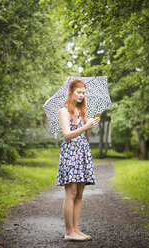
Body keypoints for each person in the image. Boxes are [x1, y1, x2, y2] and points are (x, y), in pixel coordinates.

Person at [56, 79, 100, 241]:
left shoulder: (82, 111)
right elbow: (67, 135)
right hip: (70, 153)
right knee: (71, 193)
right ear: (71, 92)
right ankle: (69, 232)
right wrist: (85, 126)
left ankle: (76, 229)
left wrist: (90, 126)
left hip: (82, 152)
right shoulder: (64, 111)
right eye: (79, 92)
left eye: (83, 93)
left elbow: (84, 136)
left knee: (80, 194)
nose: (82, 95)